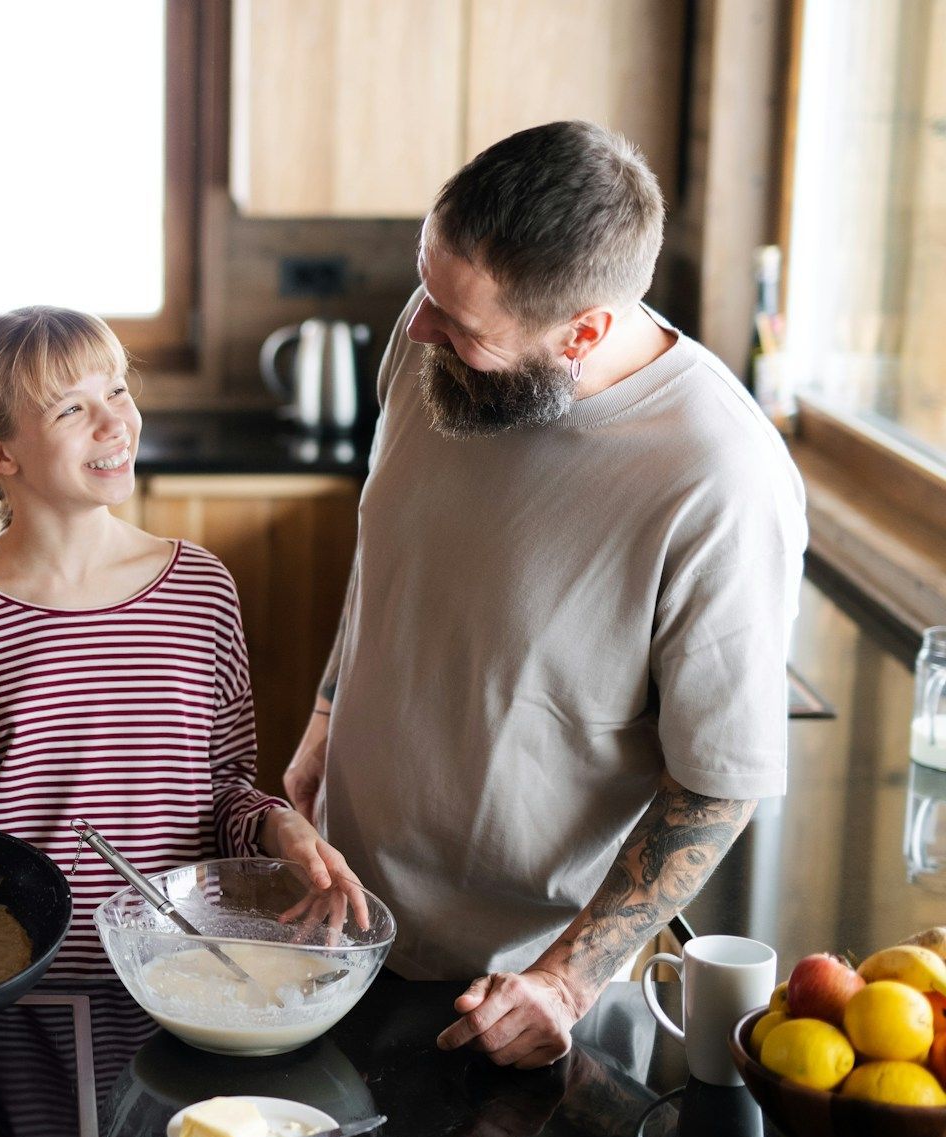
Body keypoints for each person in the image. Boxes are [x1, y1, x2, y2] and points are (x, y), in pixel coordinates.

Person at [283, 121, 807, 1067]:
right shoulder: (433, 336)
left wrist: (564, 980)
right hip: (344, 920)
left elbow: (717, 781)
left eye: (463, 325)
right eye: (427, 288)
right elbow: (389, 552)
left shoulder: (719, 479)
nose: (418, 328)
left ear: (586, 333)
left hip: (512, 994)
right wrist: (326, 717)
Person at [0, 306, 366, 972]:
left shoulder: (200, 590)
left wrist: (283, 824)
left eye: (118, 390)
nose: (114, 422)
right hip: (14, 979)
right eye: (71, 409)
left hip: (180, 974)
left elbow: (223, 790)